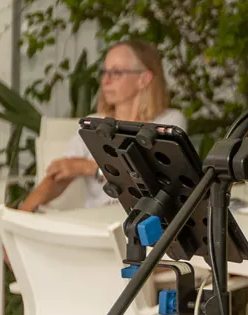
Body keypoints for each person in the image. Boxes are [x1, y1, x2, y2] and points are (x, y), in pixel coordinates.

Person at [18, 39, 187, 212]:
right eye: (104, 72)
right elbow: (59, 175)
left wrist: (85, 167)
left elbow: (152, 181)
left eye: (116, 72)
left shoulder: (168, 123)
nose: (105, 81)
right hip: (96, 221)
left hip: (145, 220)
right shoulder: (93, 123)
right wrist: (23, 212)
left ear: (143, 79)